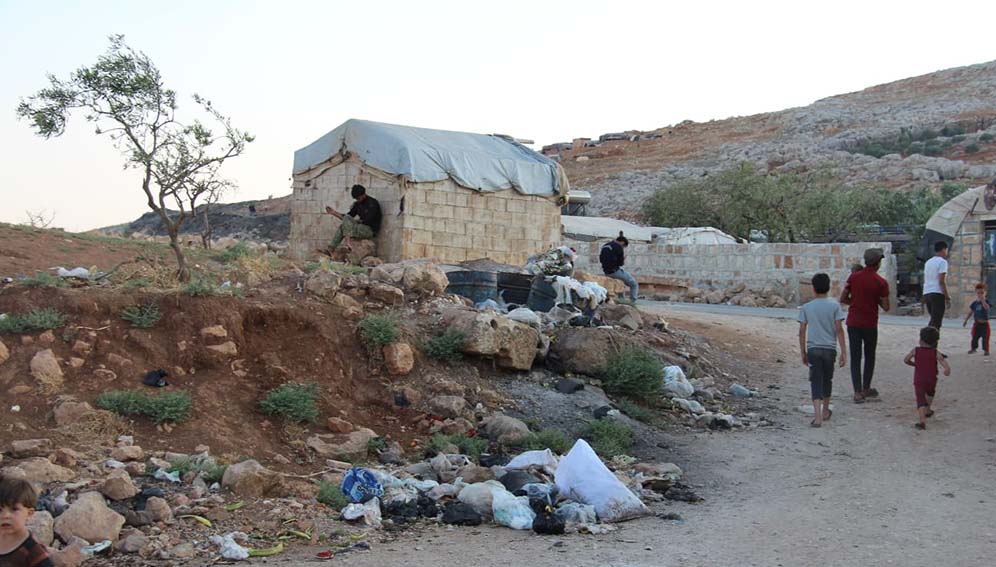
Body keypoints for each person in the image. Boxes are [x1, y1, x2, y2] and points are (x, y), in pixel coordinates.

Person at [839, 248, 890, 403]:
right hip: (870, 323)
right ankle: (866, 387)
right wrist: (876, 300)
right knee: (869, 356)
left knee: (855, 356)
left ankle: (857, 391)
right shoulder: (881, 282)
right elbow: (886, 306)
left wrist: (854, 302)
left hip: (853, 321)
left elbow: (843, 298)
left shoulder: (853, 278)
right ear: (878, 263)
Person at [798, 273, 848, 428]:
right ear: (829, 287)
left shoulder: (807, 307)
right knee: (827, 379)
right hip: (830, 349)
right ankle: (826, 410)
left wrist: (803, 352)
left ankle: (817, 416)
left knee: (815, 380)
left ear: (813, 288)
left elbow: (802, 331)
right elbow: (839, 329)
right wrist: (844, 351)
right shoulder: (834, 306)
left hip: (813, 348)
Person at [903, 326, 951, 430]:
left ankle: (922, 421)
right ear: (935, 341)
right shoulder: (935, 352)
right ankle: (928, 409)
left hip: (919, 380)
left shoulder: (916, 350)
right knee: (930, 393)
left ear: (920, 339)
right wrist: (947, 369)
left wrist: (914, 364)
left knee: (920, 399)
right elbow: (942, 361)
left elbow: (905, 360)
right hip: (932, 379)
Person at [0, 477, 54, 567]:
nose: (5, 515)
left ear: (29, 514)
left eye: (14, 509)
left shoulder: (32, 550)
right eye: (0, 510)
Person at [324, 184, 382, 254]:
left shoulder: (372, 203)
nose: (357, 200)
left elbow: (369, 220)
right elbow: (347, 217)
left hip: (369, 229)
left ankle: (347, 241)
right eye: (356, 199)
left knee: (346, 223)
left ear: (364, 194)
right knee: (343, 226)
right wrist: (334, 213)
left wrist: (355, 222)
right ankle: (331, 248)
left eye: (358, 198)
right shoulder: (357, 204)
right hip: (359, 227)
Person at [600, 232, 638, 301]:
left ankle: (621, 300)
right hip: (614, 271)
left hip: (606, 271)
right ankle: (633, 301)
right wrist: (623, 259)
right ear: (622, 242)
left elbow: (601, 259)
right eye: (623, 246)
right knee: (634, 284)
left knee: (621, 283)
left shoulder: (605, 245)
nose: (623, 248)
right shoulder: (618, 247)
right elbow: (620, 263)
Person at [922, 241, 950, 330]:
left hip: (927, 292)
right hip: (937, 292)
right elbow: (941, 281)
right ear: (943, 250)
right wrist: (947, 296)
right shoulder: (943, 262)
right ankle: (929, 340)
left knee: (933, 319)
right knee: (936, 322)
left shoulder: (928, 262)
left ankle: (928, 339)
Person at [963, 282, 992, 355]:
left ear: (985, 292)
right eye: (978, 293)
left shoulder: (987, 301)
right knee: (974, 337)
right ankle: (973, 348)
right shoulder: (975, 303)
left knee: (985, 338)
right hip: (977, 324)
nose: (980, 295)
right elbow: (970, 312)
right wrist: (966, 320)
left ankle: (986, 350)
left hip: (985, 324)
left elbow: (987, 308)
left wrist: (983, 300)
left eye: (982, 293)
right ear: (976, 293)